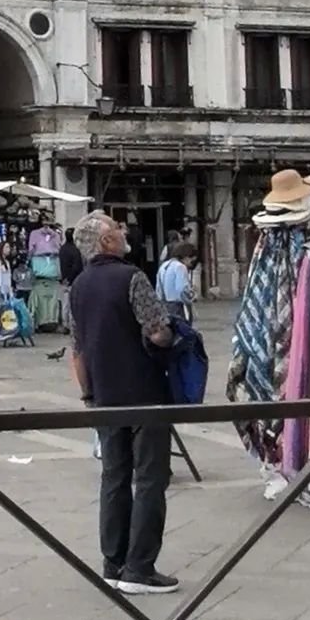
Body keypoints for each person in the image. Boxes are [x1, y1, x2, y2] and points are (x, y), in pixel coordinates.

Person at [69, 211, 175, 596]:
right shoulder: (132, 277)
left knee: (114, 477)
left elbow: (78, 350)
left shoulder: (78, 286)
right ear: (107, 242)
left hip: (104, 396)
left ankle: (112, 563)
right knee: (150, 479)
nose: (123, 231)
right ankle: (140, 568)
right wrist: (171, 336)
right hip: (143, 392)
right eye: (116, 228)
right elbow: (158, 331)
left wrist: (88, 395)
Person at [156, 239, 194, 322]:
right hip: (178, 306)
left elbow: (158, 289)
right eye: (191, 258)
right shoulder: (180, 267)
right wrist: (189, 300)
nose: (191, 262)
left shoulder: (163, 266)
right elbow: (182, 289)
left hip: (165, 304)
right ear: (186, 256)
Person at [59, 226, 83, 332]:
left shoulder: (62, 249)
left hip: (64, 280)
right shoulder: (76, 250)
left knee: (65, 304)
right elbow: (77, 266)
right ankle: (72, 325)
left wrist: (64, 278)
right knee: (73, 304)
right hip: (74, 280)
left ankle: (65, 324)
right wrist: (70, 278)